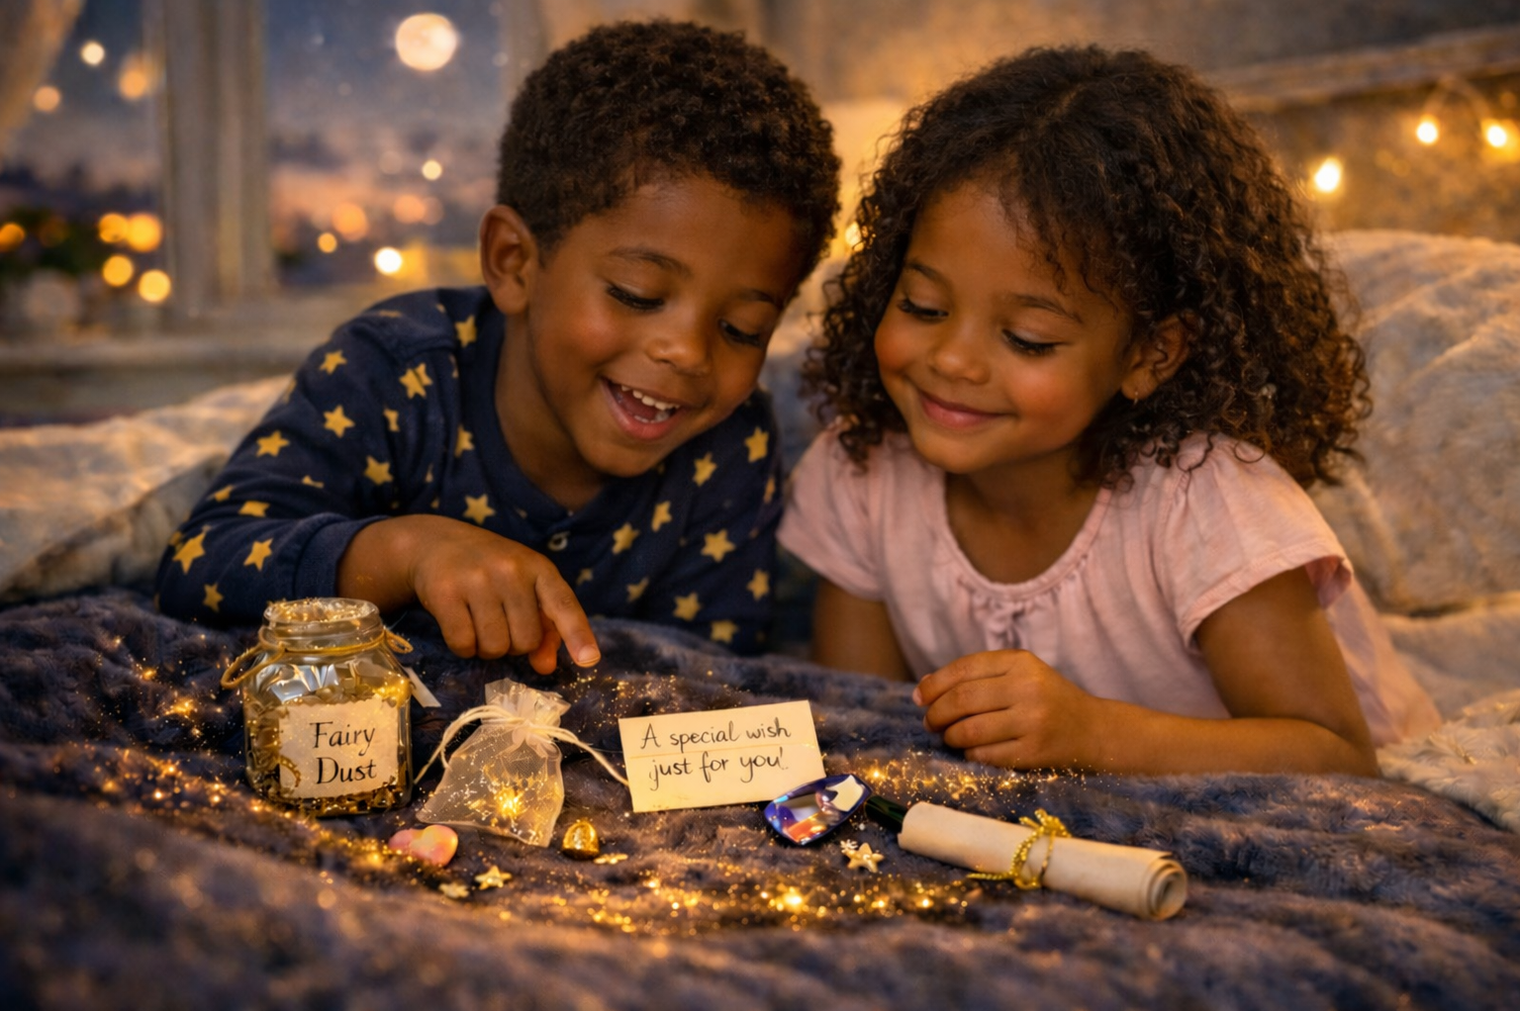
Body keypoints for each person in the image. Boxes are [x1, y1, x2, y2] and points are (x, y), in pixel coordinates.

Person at [779, 45, 1439, 776]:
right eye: (923, 306)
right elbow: (863, 723)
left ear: (1148, 355)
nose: (953, 360)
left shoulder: (1204, 503)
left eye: (1027, 339)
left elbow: (1338, 756)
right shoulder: (862, 470)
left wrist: (1092, 734)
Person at [156, 20, 839, 673]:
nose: (689, 352)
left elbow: (716, 688)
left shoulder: (730, 441)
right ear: (514, 262)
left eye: (742, 329)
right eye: (636, 293)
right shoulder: (392, 372)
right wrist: (405, 551)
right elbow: (198, 566)